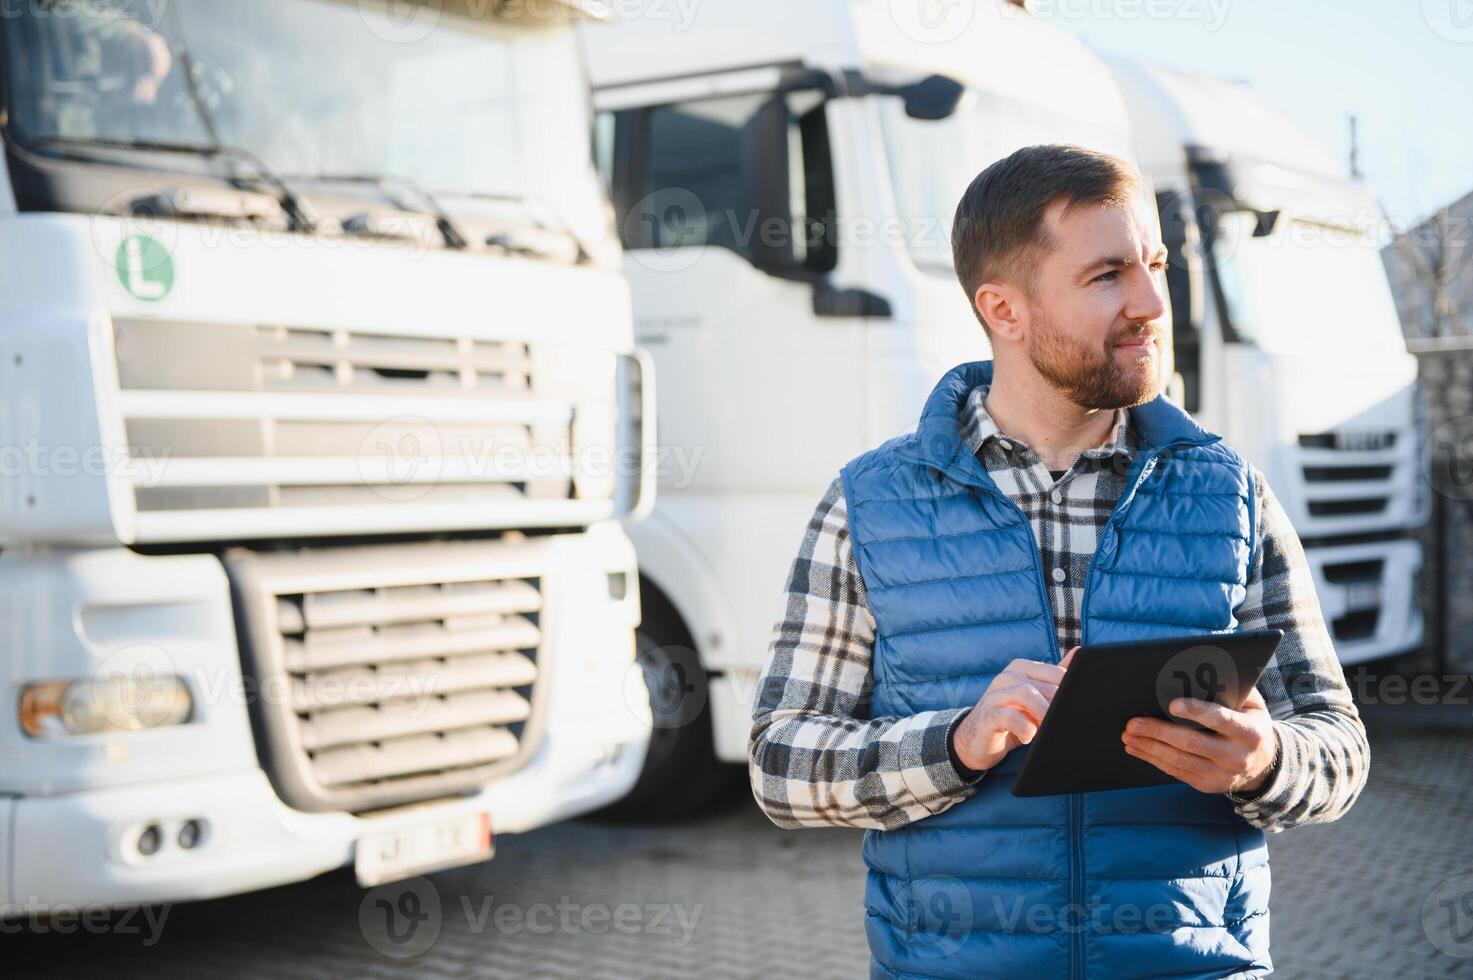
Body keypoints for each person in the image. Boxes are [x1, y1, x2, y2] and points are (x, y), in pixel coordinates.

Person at [747, 143, 1369, 979]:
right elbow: (781, 766)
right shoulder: (868, 504)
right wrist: (954, 744)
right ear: (1003, 310)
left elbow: (1339, 747)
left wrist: (1264, 762)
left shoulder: (1231, 494)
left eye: (1154, 265)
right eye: (1106, 275)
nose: (1152, 302)